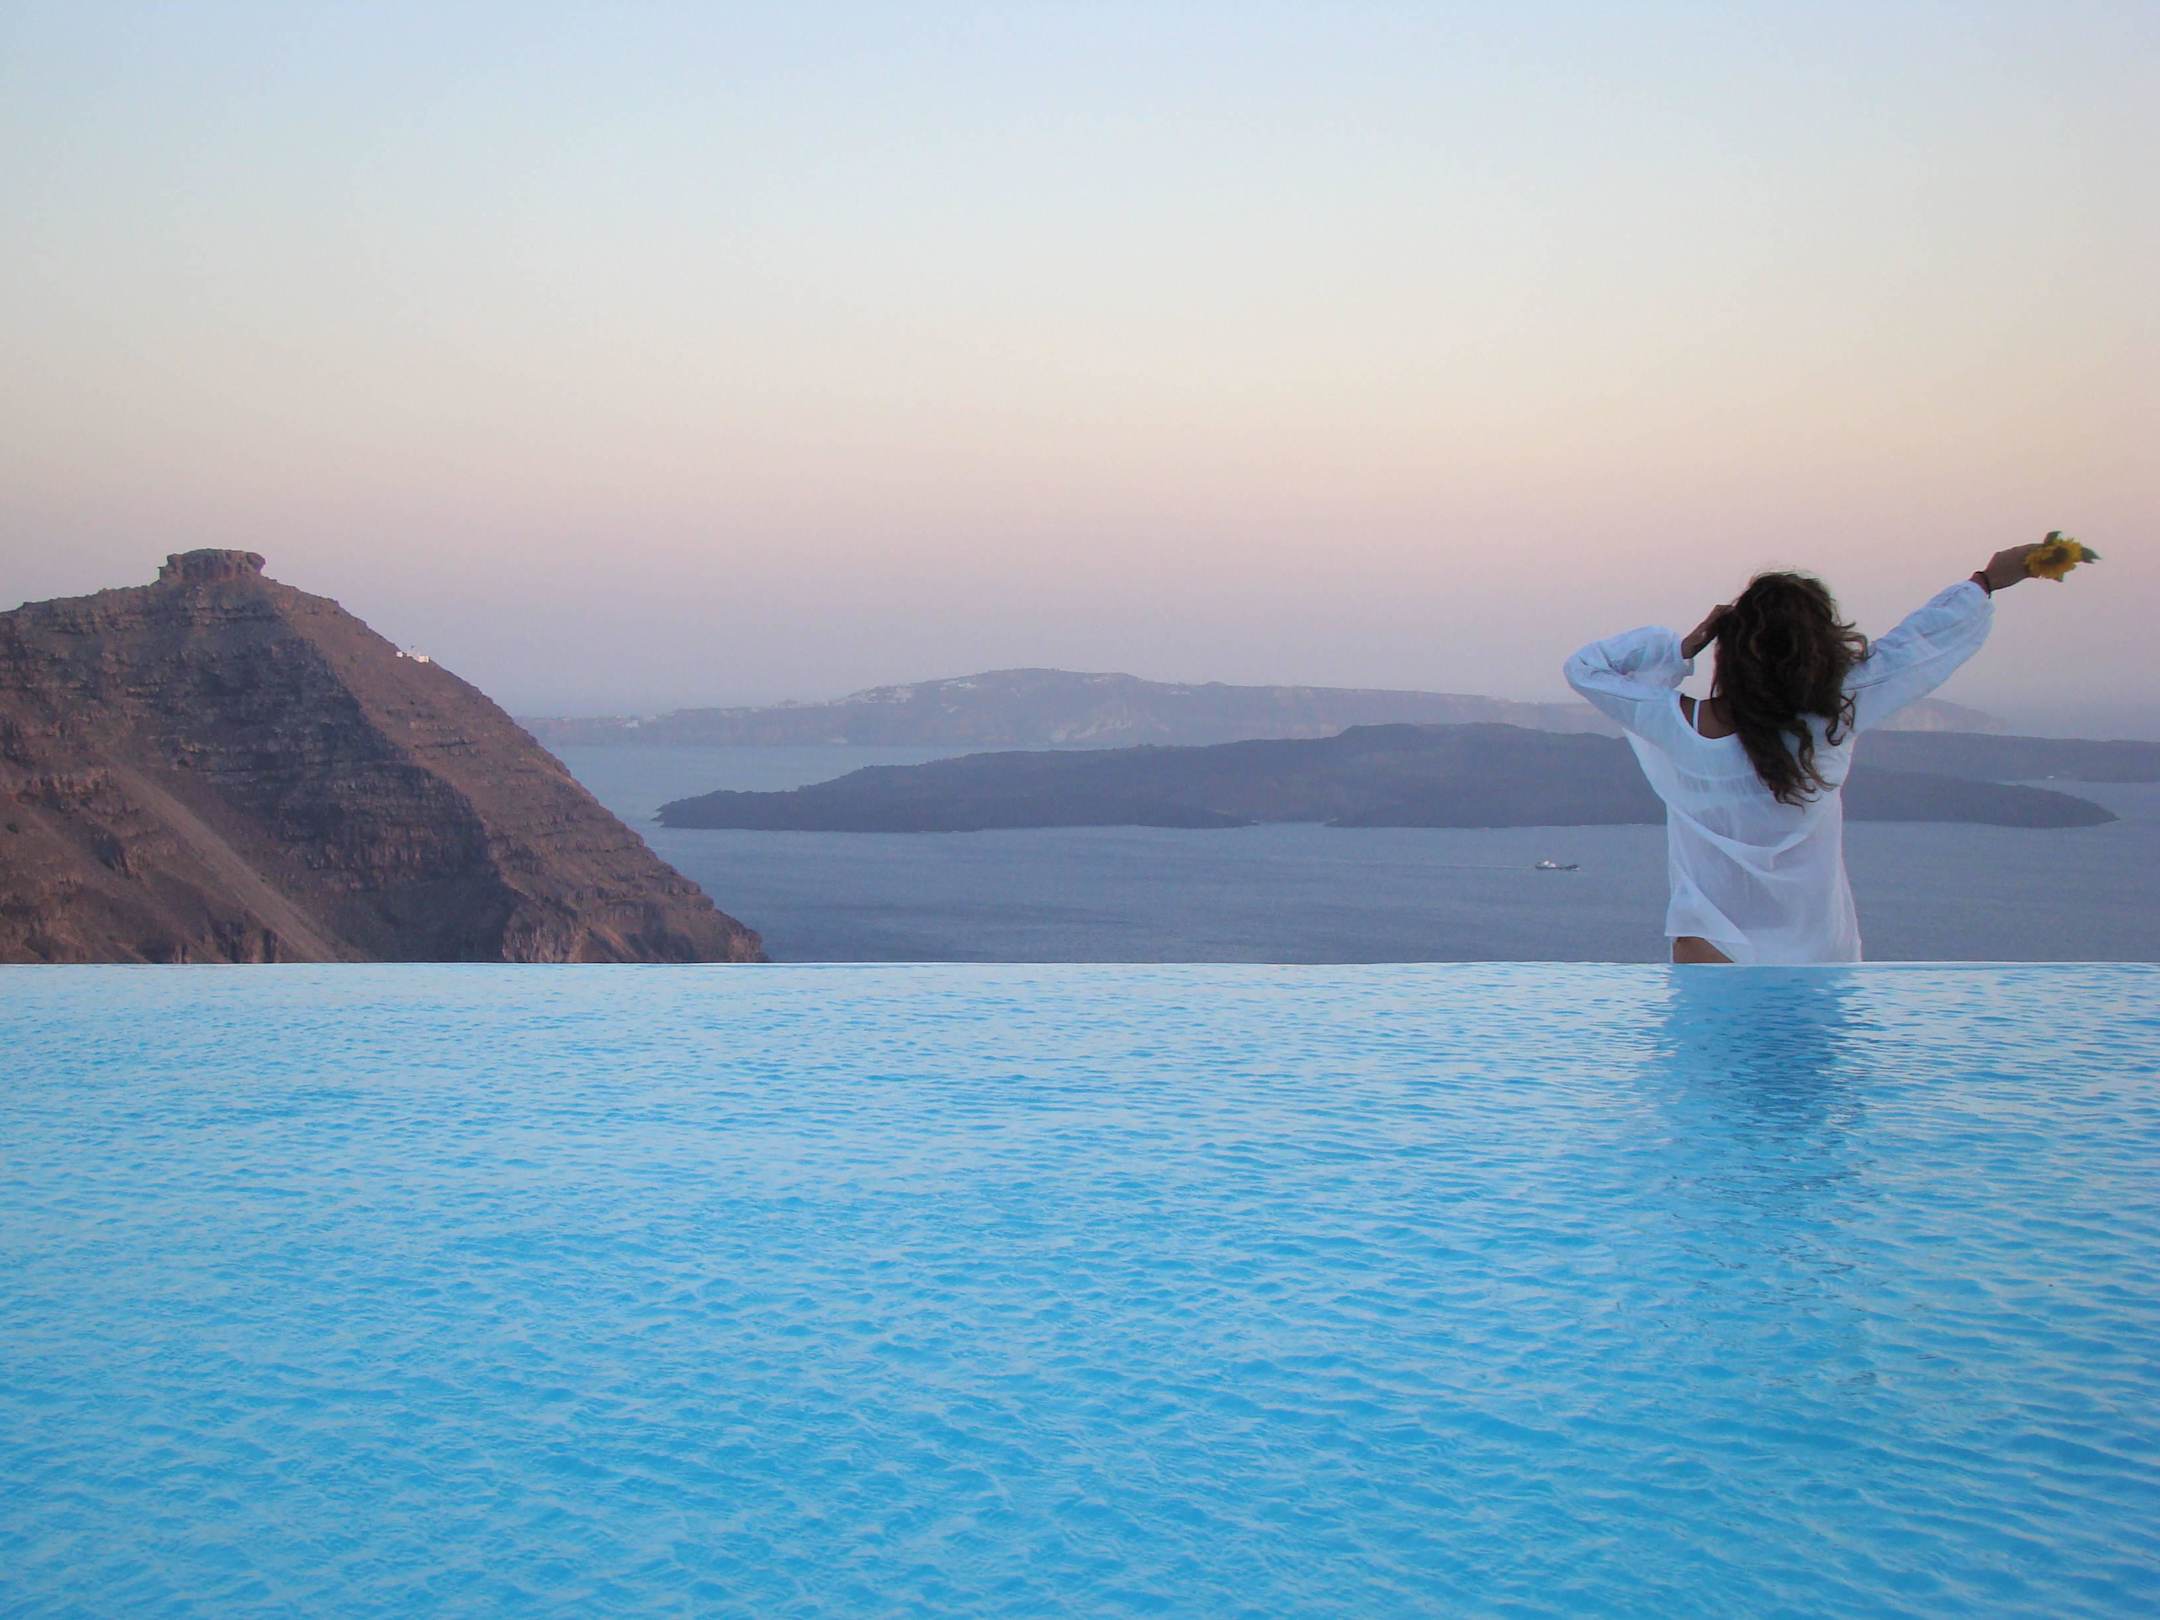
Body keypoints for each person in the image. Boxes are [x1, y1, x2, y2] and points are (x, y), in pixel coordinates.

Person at [1563, 543, 2042, 964]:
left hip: (1710, 948)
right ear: (1818, 648)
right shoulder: (1834, 718)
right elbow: (1920, 644)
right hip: (1816, 956)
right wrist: (1985, 581)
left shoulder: (1677, 725)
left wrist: (1681, 647)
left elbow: (1586, 668)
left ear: (1731, 645)